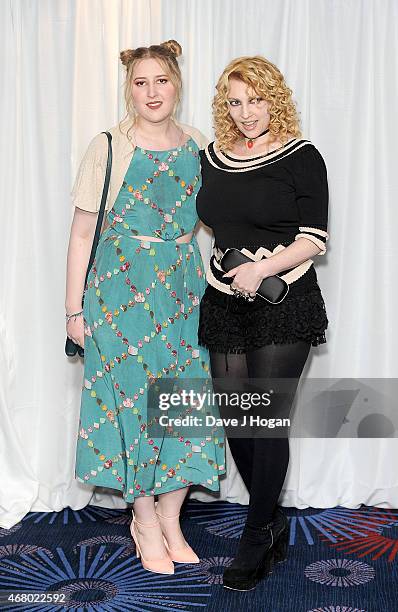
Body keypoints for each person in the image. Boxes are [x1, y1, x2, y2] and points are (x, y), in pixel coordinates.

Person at [65, 40, 225, 575]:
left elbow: (216, 219)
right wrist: (73, 312)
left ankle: (172, 517)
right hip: (117, 296)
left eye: (161, 81)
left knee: (183, 406)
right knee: (133, 406)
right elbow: (83, 230)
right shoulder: (109, 145)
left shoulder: (198, 143)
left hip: (181, 293)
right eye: (140, 82)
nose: (151, 92)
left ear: (177, 83)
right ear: (128, 88)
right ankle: (145, 520)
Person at [196, 55, 329, 590]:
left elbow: (314, 237)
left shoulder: (303, 156)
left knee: (266, 419)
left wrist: (262, 268)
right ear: (223, 106)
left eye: (255, 99)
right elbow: (199, 219)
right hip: (224, 298)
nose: (246, 112)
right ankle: (270, 518)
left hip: (284, 297)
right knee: (237, 418)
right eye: (235, 101)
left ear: (274, 99)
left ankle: (256, 532)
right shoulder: (210, 157)